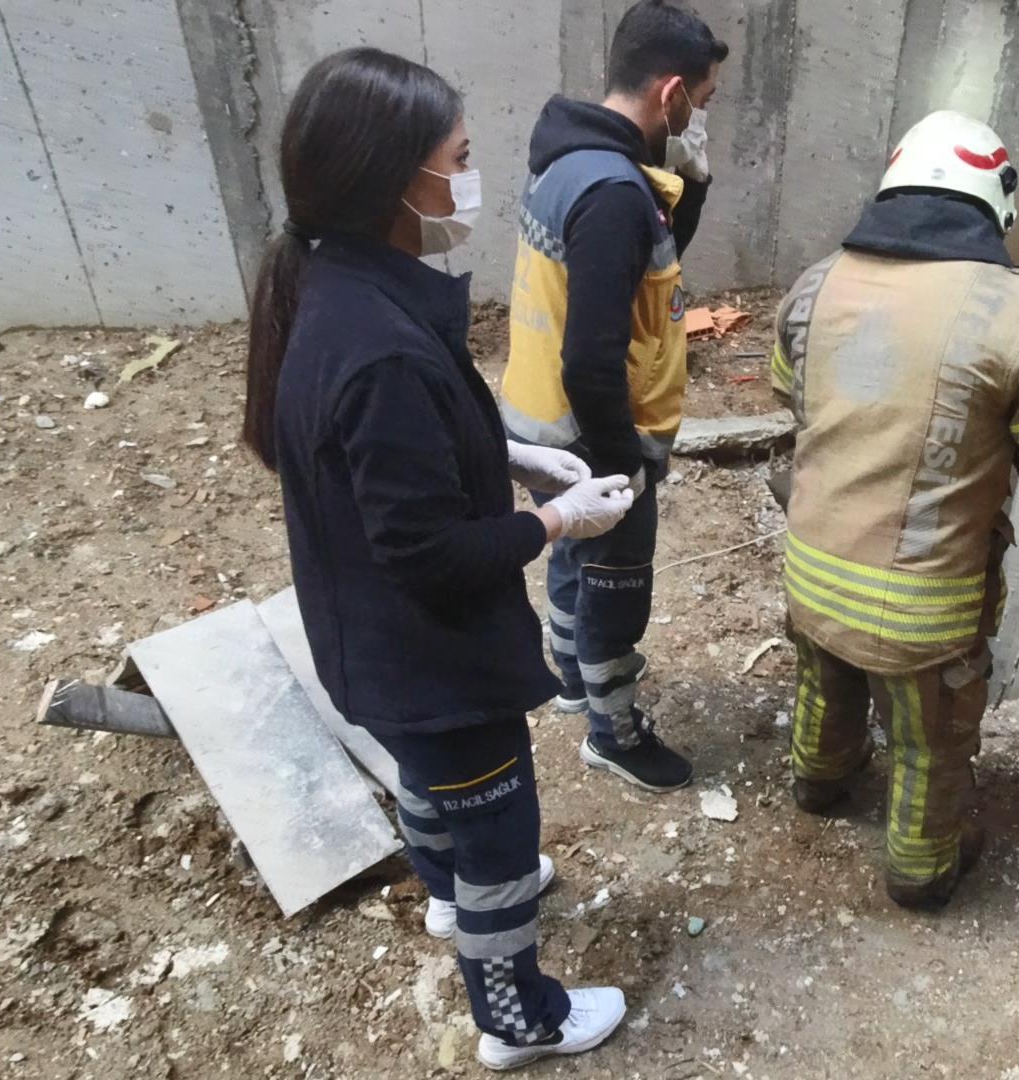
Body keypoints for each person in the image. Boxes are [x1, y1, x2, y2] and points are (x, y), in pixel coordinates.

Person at [241, 47, 637, 1069]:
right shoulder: (374, 344)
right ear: (393, 179)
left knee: (428, 781)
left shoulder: (331, 289)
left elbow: (378, 452)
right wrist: (560, 521)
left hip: (369, 651)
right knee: (498, 828)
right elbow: (429, 554)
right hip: (430, 660)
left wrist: (504, 450)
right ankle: (517, 1016)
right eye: (458, 158)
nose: (469, 178)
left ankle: (445, 892)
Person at [772, 111, 1019, 908]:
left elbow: (791, 395)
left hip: (813, 574)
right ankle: (921, 873)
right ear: (992, 202)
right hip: (921, 605)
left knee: (824, 681)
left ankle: (819, 784)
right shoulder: (1014, 312)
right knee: (933, 741)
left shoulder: (815, 282)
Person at [501, 0, 729, 795]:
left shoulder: (574, 159)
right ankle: (613, 729)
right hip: (589, 436)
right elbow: (593, 360)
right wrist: (622, 467)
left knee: (575, 556)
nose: (699, 119)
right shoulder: (611, 193)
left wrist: (690, 184)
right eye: (698, 105)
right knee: (614, 584)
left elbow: (646, 264)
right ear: (669, 94)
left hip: (537, 425)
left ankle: (571, 678)